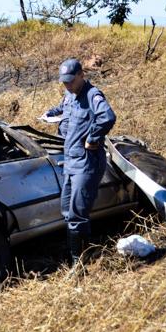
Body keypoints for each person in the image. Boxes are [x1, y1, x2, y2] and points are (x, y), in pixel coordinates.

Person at [57, 58, 116, 268]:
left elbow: (107, 117)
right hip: (70, 160)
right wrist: (52, 114)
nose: (67, 85)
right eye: (64, 82)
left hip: (86, 162)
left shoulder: (93, 95)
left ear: (82, 75)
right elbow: (62, 107)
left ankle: (80, 265)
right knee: (66, 210)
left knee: (77, 214)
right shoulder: (69, 94)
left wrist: (93, 138)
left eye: (71, 81)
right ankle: (83, 253)